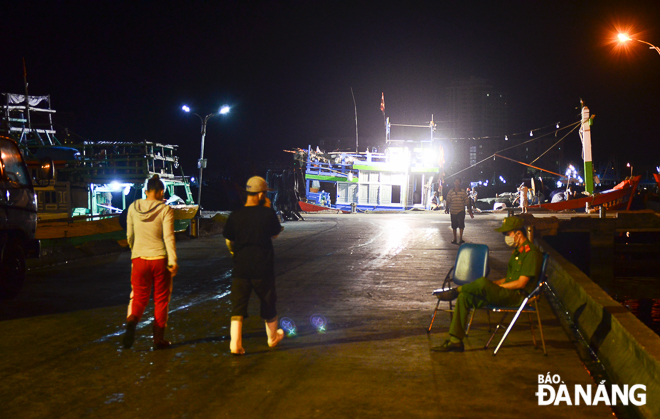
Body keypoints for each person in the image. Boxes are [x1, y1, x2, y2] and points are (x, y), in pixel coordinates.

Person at [431, 217, 542, 352]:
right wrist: (494, 284)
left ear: (518, 234)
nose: (505, 237)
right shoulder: (518, 252)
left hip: (518, 296)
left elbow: (521, 283)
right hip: (508, 293)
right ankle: (455, 341)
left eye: (507, 234)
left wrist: (496, 287)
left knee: (482, 282)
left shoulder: (531, 254)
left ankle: (456, 290)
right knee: (465, 297)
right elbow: (509, 278)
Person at [223, 176, 284, 355]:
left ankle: (235, 344)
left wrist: (235, 252)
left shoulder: (236, 215)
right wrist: (267, 209)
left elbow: (229, 240)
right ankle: (272, 339)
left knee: (238, 307)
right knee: (268, 303)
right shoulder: (267, 213)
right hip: (262, 268)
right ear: (260, 194)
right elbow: (275, 234)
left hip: (240, 268)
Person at [123, 174, 178, 350]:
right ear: (161, 191)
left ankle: (132, 320)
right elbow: (169, 237)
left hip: (139, 258)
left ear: (146, 191)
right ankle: (158, 340)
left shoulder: (133, 207)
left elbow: (129, 235)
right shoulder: (165, 210)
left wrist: (135, 250)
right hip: (159, 259)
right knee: (161, 300)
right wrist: (173, 261)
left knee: (138, 297)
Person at [445, 178, 473, 244]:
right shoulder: (451, 191)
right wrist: (447, 208)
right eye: (456, 182)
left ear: (460, 183)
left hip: (461, 210)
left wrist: (469, 209)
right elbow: (448, 200)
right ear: (454, 183)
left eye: (458, 182)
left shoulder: (463, 191)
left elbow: (467, 200)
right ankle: (455, 239)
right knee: (454, 225)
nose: (457, 183)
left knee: (461, 225)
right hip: (453, 211)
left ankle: (460, 238)